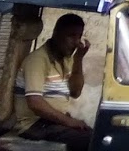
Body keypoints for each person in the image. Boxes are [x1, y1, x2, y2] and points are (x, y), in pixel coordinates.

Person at [11, 13, 92, 150]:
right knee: (88, 141)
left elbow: (75, 92)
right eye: (71, 36)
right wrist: (69, 121)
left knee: (99, 137)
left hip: (52, 122)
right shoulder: (37, 60)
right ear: (56, 33)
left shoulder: (66, 59)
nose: (76, 42)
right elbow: (35, 103)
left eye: (79, 36)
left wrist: (78, 59)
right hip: (35, 124)